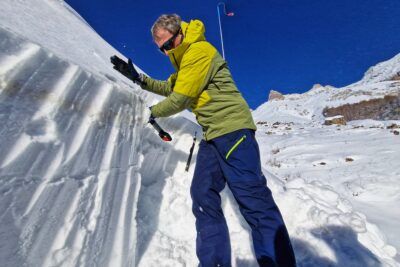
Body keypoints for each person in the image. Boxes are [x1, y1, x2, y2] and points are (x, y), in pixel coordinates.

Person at [111, 14, 296, 267]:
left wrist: (150, 112)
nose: (166, 53)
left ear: (180, 34)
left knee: (253, 200)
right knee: (202, 194)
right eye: (160, 50)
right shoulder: (185, 63)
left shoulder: (199, 51)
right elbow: (169, 87)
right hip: (212, 136)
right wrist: (138, 78)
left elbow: (180, 99)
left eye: (167, 45)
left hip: (232, 131)